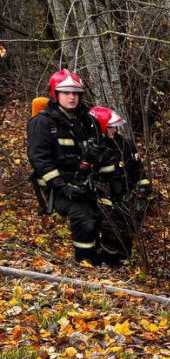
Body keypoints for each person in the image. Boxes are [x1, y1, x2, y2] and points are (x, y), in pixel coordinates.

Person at [27, 70, 102, 265]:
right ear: (55, 94)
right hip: (57, 188)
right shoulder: (43, 122)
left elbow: (101, 150)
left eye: (75, 93)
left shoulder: (88, 121)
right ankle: (86, 265)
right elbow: (39, 159)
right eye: (66, 92)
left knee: (103, 218)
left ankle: (103, 261)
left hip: (87, 182)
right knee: (83, 218)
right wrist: (62, 186)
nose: (71, 97)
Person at [88, 106, 153, 266]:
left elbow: (138, 168)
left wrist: (144, 187)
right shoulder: (94, 148)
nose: (115, 130)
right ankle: (109, 264)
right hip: (104, 198)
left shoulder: (126, 144)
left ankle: (124, 261)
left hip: (127, 196)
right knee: (110, 231)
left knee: (128, 231)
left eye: (116, 127)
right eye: (111, 127)